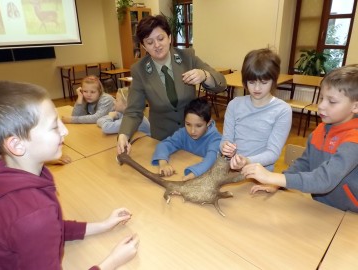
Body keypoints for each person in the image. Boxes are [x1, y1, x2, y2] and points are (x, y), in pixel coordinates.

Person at [0, 81, 139, 269]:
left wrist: (102, 225)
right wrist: (111, 262)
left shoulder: (15, 171)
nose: (65, 130)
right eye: (54, 127)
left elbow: (51, 228)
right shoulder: (35, 216)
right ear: (16, 145)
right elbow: (40, 224)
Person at [242, 64, 358, 211]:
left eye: (332, 101)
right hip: (321, 206)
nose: (321, 106)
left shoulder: (354, 140)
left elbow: (325, 179)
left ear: (355, 107)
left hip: (350, 214)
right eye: (321, 98)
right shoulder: (322, 128)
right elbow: (304, 163)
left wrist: (273, 178)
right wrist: (277, 183)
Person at [117, 14, 227, 154]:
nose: (157, 45)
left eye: (160, 38)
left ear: (169, 37)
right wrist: (123, 135)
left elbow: (221, 83)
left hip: (196, 136)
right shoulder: (139, 70)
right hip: (164, 140)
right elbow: (133, 111)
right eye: (150, 42)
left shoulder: (187, 57)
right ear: (144, 46)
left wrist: (204, 75)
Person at [220, 48, 292, 192]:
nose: (257, 88)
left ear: (274, 80)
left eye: (264, 82)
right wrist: (225, 147)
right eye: (252, 82)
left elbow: (272, 153)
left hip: (260, 177)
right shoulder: (235, 104)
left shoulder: (282, 110)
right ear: (245, 81)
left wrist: (247, 161)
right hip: (231, 172)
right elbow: (225, 140)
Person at [151, 98, 221, 181]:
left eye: (198, 126)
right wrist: (163, 163)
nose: (192, 131)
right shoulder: (182, 133)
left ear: (208, 123)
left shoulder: (216, 139)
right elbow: (163, 145)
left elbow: (210, 160)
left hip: (204, 177)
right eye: (188, 124)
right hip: (181, 169)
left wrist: (193, 174)